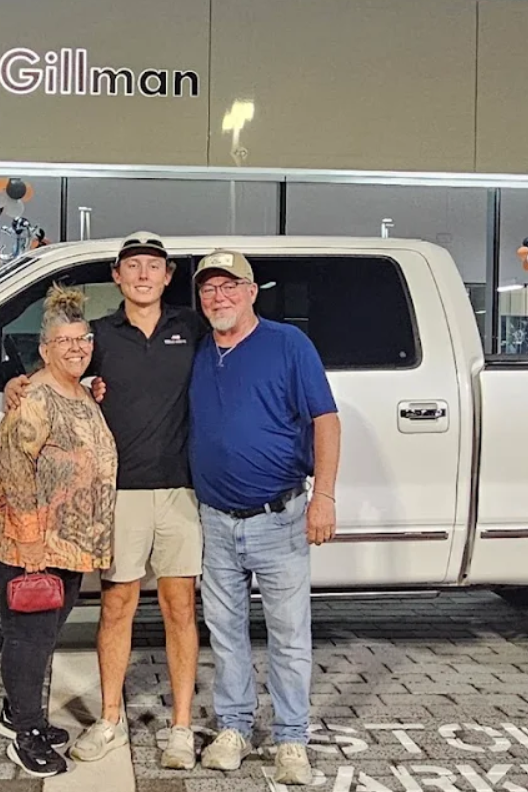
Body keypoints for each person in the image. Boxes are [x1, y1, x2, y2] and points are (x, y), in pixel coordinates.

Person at [4, 231, 210, 770]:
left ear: (168, 277)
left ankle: (182, 728)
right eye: (132, 266)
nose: (143, 274)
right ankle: (111, 719)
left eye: (154, 266)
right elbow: (56, 370)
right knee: (117, 605)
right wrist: (16, 383)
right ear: (116, 277)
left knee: (180, 609)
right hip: (117, 497)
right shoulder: (97, 336)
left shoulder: (191, 327)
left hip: (181, 490)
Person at [186, 249, 340, 786]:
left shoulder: (287, 344)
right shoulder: (202, 350)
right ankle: (233, 727)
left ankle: (292, 738)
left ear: (252, 292)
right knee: (225, 634)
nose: (219, 296)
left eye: (230, 286)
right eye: (209, 289)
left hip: (280, 517)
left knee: (289, 636)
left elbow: (326, 419)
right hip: (216, 521)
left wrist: (325, 496)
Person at [0, 284, 118, 778]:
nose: (76, 348)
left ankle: (16, 713)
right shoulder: (35, 398)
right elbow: (15, 470)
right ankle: (27, 734)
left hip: (69, 545)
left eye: (83, 339)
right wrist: (32, 541)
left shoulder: (82, 392)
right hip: (30, 543)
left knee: (42, 634)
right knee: (30, 640)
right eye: (65, 342)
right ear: (44, 350)